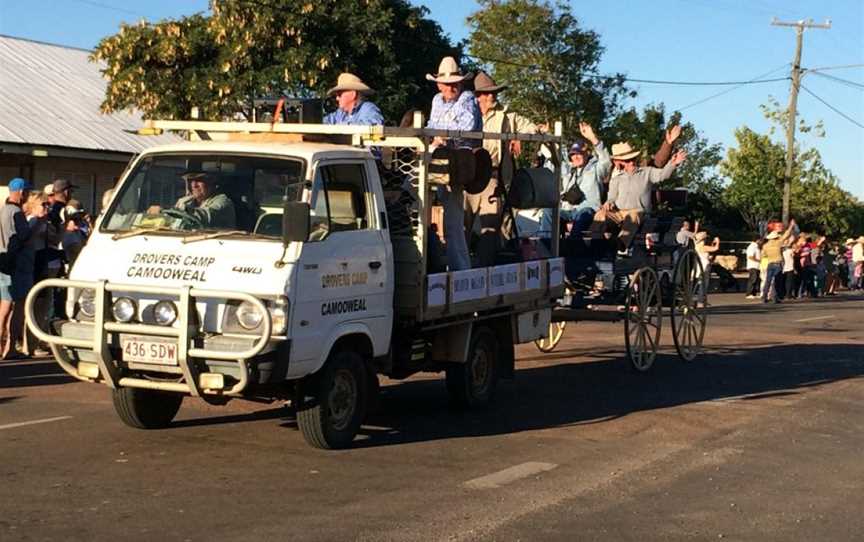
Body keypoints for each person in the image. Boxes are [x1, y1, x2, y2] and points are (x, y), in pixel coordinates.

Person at [467, 71, 537, 265]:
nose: (492, 96)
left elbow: (529, 127)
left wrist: (520, 135)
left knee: (490, 230)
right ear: (478, 96)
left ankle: (484, 269)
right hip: (467, 177)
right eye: (488, 92)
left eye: (494, 92)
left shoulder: (506, 115)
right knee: (460, 227)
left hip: (492, 176)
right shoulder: (465, 112)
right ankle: (461, 270)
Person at [426, 56, 481, 271]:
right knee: (417, 204)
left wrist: (442, 136)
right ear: (439, 85)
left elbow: (466, 127)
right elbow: (432, 126)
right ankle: (438, 264)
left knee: (453, 222)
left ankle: (460, 272)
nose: (451, 88)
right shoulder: (437, 101)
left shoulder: (467, 98)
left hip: (459, 164)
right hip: (438, 160)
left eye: (455, 83)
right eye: (447, 84)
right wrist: (440, 136)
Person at [591, 142, 687, 256]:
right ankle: (594, 243)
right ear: (621, 162)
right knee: (600, 215)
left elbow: (662, 175)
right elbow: (612, 197)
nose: (631, 162)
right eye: (627, 160)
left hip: (638, 212)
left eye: (633, 159)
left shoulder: (647, 172)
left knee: (632, 216)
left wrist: (673, 163)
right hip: (619, 213)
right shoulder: (617, 179)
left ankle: (620, 243)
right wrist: (608, 203)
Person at [0, 178, 32, 359]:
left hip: (3, 264)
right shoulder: (16, 213)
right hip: (17, 266)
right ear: (20, 192)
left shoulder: (3, 210)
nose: (27, 195)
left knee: (4, 306)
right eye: (26, 192)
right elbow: (22, 238)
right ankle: (11, 348)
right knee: (18, 307)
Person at [561, 122, 611, 234]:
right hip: (568, 210)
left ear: (587, 154)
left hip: (588, 210)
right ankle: (546, 245)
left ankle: (572, 246)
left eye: (579, 153)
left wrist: (593, 138)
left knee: (583, 214)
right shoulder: (569, 171)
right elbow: (555, 158)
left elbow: (606, 161)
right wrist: (548, 135)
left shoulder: (596, 169)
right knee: (548, 213)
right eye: (572, 155)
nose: (575, 157)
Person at [148, 170, 236, 230]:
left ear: (211, 183)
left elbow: (204, 217)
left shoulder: (223, 201)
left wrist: (165, 210)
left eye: (199, 180)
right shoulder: (187, 201)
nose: (194, 185)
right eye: (190, 181)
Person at [760, 219, 796, 304]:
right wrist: (791, 226)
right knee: (777, 281)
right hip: (778, 264)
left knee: (768, 281)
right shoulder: (778, 243)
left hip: (769, 263)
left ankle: (764, 296)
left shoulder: (765, 246)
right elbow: (787, 234)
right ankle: (775, 297)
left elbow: (763, 255)